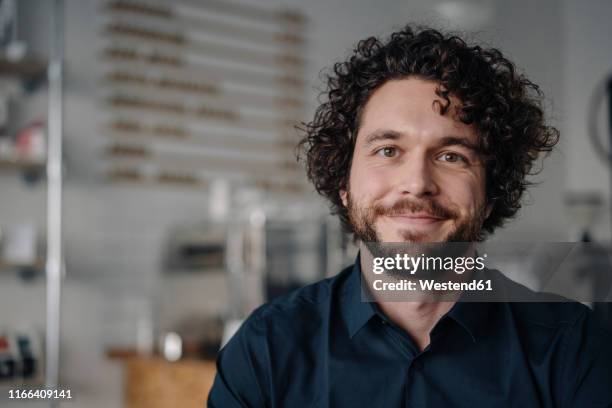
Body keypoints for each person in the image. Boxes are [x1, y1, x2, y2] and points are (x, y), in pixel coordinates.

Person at [208, 26, 612, 407]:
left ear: (491, 193)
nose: (417, 183)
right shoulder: (266, 350)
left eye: (451, 156)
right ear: (344, 186)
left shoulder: (572, 349)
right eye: (387, 150)